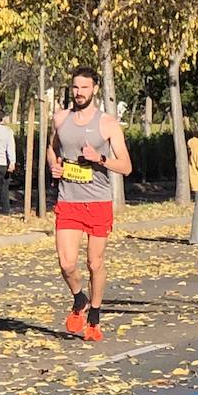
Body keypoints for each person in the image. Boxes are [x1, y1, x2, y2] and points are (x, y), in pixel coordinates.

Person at [47, 66, 132, 341]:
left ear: (94, 89)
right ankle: (79, 298)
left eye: (84, 88)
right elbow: (53, 148)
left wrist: (100, 159)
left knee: (94, 262)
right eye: (75, 87)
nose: (79, 92)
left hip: (98, 201)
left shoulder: (107, 124)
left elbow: (127, 166)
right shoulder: (60, 119)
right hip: (69, 200)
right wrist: (54, 165)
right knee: (67, 263)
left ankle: (94, 316)